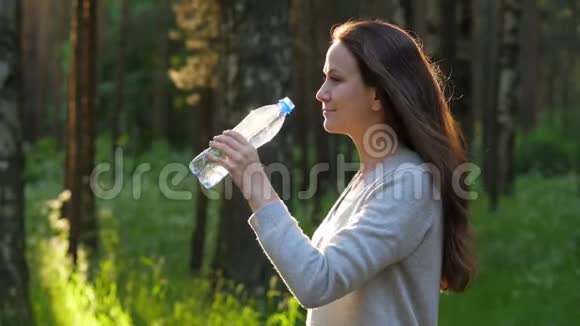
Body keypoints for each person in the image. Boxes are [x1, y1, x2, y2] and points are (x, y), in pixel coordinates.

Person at [206, 20, 476, 326]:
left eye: (336, 79)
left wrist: (256, 184)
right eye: (324, 78)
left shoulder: (410, 184)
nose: (321, 93)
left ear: (378, 96)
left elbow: (317, 282)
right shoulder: (372, 178)